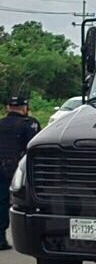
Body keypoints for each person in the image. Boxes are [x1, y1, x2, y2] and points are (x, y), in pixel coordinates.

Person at [0, 95, 40, 250]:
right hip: (19, 170)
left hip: (1, 169)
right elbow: (35, 147)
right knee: (29, 203)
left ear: (8, 108)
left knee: (1, 202)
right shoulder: (30, 124)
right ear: (25, 108)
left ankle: (0, 237)